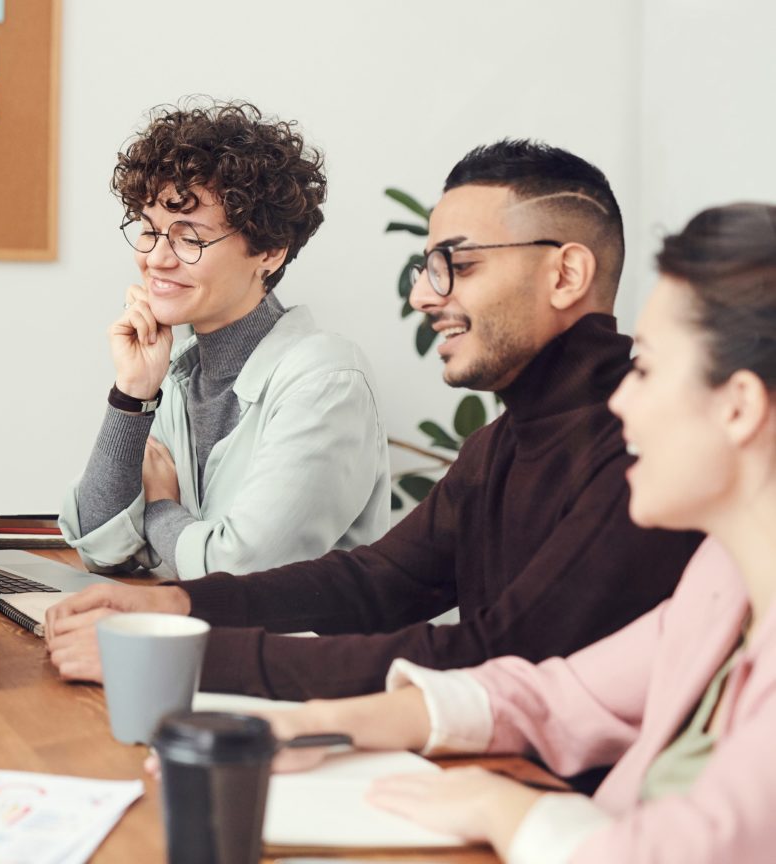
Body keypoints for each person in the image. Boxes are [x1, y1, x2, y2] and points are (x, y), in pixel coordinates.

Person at [47, 139, 701, 697]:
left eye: (460, 265)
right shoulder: (500, 442)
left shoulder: (643, 450)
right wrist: (174, 603)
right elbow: (376, 582)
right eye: (428, 266)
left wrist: (174, 654)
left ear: (566, 275)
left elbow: (497, 659)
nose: (422, 294)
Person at [261, 202, 776, 863]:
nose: (620, 400)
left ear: (738, 407)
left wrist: (504, 807)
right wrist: (322, 723)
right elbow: (553, 696)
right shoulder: (722, 580)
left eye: (644, 369)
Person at [59, 99, 390, 581]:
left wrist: (158, 507)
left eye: (189, 237)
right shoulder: (179, 373)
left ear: (270, 252)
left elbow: (240, 573)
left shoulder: (327, 381)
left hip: (290, 653)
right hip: (190, 641)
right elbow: (98, 544)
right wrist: (133, 394)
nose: (157, 258)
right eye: (150, 231)